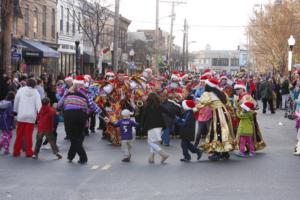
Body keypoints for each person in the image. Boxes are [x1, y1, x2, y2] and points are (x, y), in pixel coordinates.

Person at [58, 75, 101, 164]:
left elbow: (60, 104)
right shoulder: (86, 93)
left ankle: (83, 157)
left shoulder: (67, 91)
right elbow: (92, 105)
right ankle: (70, 155)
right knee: (79, 136)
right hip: (81, 115)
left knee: (73, 137)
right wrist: (102, 114)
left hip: (69, 114)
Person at [193, 78, 235, 161]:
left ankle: (217, 153)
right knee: (224, 132)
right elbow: (228, 104)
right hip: (225, 114)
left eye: (205, 84)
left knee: (217, 133)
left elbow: (201, 104)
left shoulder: (207, 94)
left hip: (218, 114)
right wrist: (233, 113)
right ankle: (225, 152)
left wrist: (191, 110)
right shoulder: (220, 93)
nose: (204, 85)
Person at [141, 92, 174, 164]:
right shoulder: (159, 105)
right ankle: (151, 158)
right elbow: (168, 112)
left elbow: (143, 117)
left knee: (150, 142)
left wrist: (141, 125)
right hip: (160, 126)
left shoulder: (147, 106)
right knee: (153, 141)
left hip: (151, 126)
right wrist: (173, 117)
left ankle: (163, 154)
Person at [13, 78, 42, 157]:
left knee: (19, 134)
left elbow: (16, 101)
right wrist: (40, 116)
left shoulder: (21, 90)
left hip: (21, 115)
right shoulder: (36, 92)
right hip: (31, 116)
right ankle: (29, 152)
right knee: (28, 135)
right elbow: (39, 106)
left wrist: (15, 111)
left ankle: (16, 151)